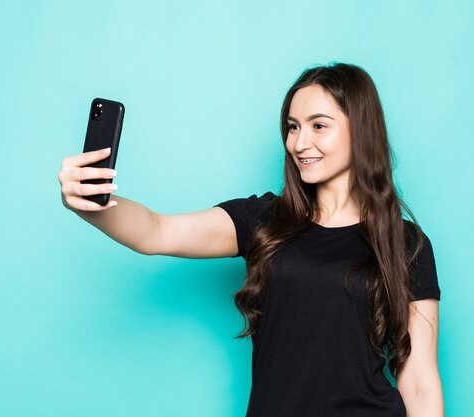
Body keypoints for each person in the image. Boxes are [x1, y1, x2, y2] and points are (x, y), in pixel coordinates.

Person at [57, 62, 444, 417]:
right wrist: (91, 204)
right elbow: (155, 231)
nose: (299, 143)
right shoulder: (264, 219)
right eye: (292, 127)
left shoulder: (405, 244)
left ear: (361, 130)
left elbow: (421, 382)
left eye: (318, 125)